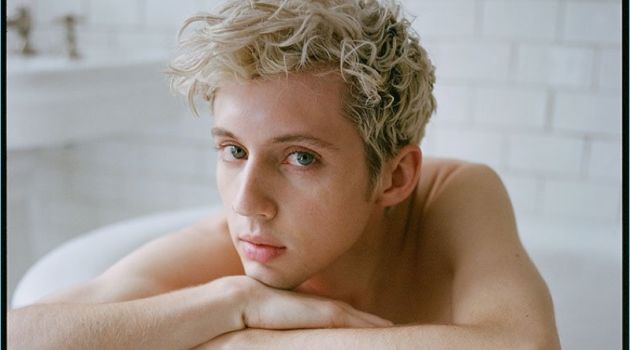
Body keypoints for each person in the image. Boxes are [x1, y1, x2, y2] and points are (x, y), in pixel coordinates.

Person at [8, 0, 561, 349]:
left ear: (394, 177)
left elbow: (527, 345)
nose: (248, 202)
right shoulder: (227, 250)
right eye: (232, 150)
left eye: (300, 158)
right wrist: (232, 304)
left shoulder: (451, 195)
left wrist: (248, 343)